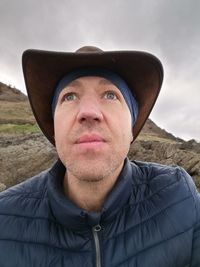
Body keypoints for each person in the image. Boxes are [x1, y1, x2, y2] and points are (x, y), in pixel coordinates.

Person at [0, 46, 199, 267]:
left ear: (132, 126)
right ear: (54, 129)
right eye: (70, 96)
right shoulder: (4, 218)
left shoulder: (179, 195)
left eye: (110, 95)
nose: (89, 112)